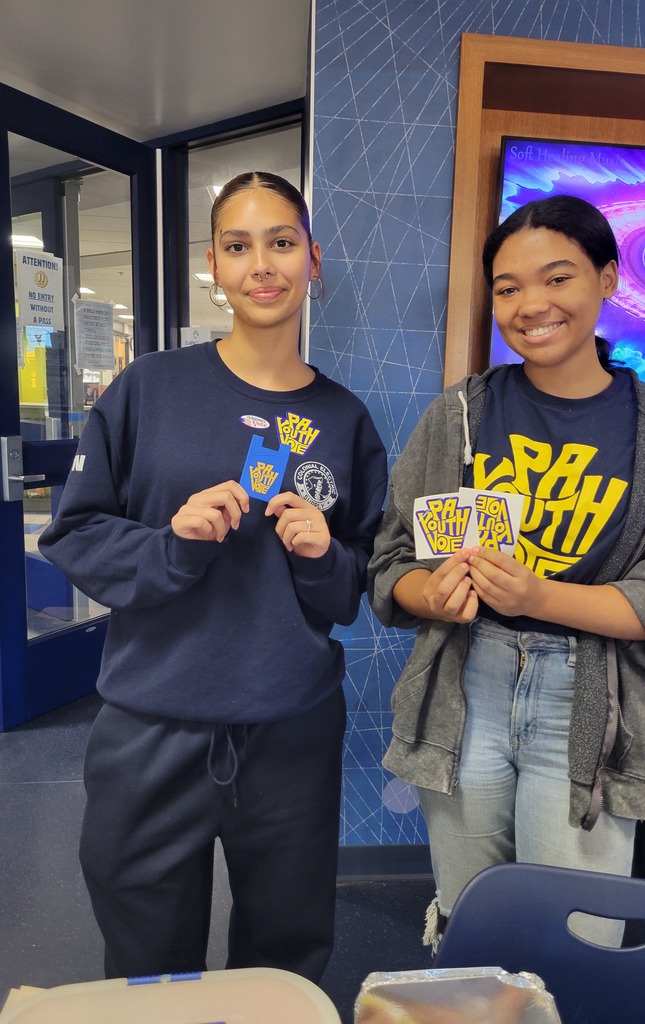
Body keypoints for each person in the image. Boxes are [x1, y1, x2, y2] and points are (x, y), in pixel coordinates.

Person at [39, 171, 388, 982]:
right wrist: (173, 543)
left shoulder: (344, 419)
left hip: (291, 729)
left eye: (281, 242)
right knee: (147, 962)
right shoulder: (147, 390)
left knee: (287, 957)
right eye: (239, 245)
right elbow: (76, 535)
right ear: (215, 264)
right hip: (152, 726)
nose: (261, 264)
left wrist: (320, 556)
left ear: (312, 259)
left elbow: (355, 586)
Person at [368, 195, 645, 948]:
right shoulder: (462, 414)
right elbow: (391, 561)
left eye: (557, 278)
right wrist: (430, 595)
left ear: (608, 280)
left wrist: (542, 596)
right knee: (472, 917)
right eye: (507, 288)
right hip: (467, 686)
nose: (530, 304)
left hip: (590, 702)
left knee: (580, 933)